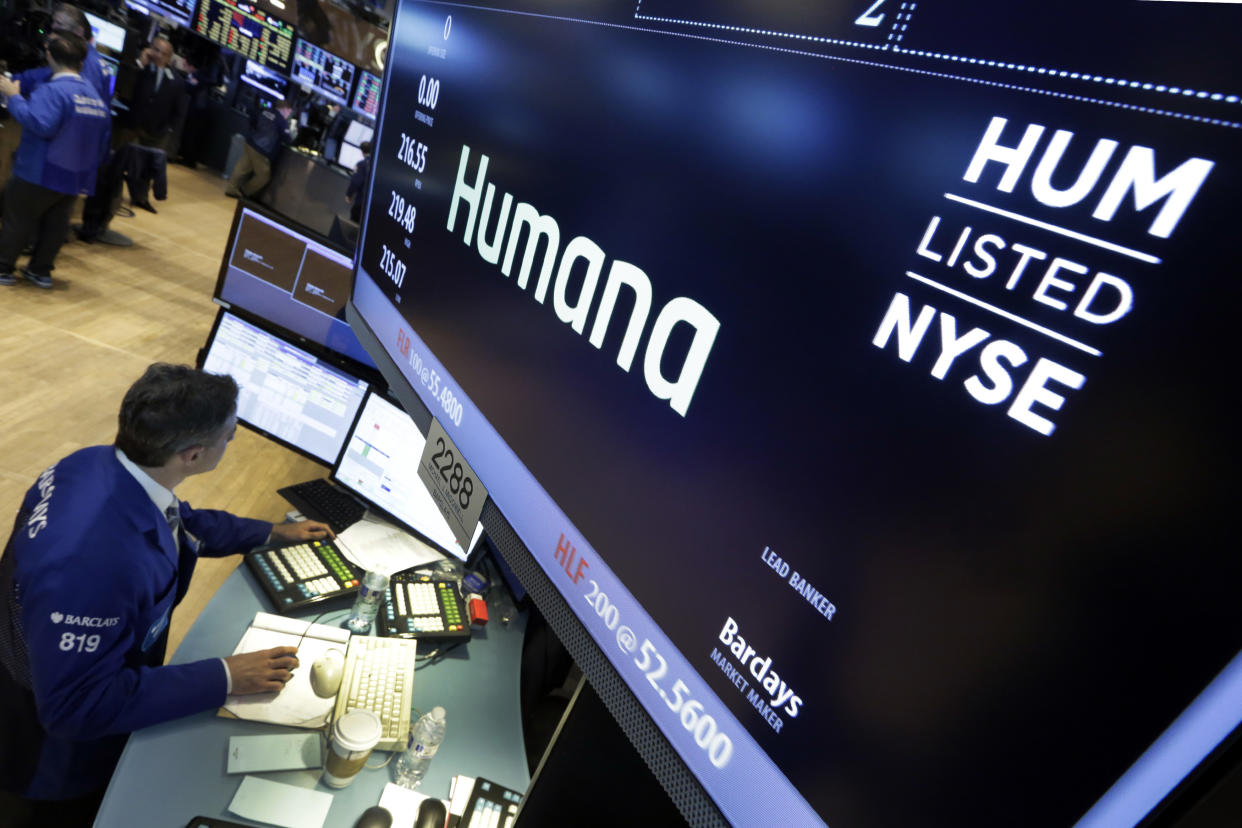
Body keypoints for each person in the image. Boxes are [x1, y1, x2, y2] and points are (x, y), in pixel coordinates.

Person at [0, 364, 334, 826]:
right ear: (193, 456)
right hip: (53, 757)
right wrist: (224, 676)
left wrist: (270, 532)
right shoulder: (92, 567)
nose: (232, 441)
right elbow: (76, 707)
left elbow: (180, 521)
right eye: (229, 434)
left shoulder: (96, 463)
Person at [0, 32, 110, 290]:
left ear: (49, 56)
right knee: (55, 226)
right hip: (73, 176)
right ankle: (40, 271)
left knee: (18, 219)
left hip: (39, 171)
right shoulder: (94, 96)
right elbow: (102, 140)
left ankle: (3, 268)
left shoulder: (52, 90)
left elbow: (40, 124)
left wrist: (13, 96)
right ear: (81, 63)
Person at [113, 36, 187, 212]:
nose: (156, 54)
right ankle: (112, 196)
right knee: (120, 160)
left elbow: (178, 110)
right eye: (154, 48)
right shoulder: (139, 69)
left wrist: (168, 129)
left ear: (169, 57)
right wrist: (140, 63)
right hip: (131, 125)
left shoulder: (176, 81)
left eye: (161, 52)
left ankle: (140, 197)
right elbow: (123, 87)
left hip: (156, 130)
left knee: (147, 167)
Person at [226, 99, 295, 199]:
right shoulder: (281, 121)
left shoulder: (264, 110)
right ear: (285, 109)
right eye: (289, 111)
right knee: (264, 176)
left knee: (242, 168)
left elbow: (252, 118)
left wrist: (254, 131)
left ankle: (231, 189)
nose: (289, 114)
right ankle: (244, 191)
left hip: (250, 142)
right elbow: (288, 139)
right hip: (261, 149)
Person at [346, 140, 373, 223]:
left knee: (353, 226)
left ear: (362, 151)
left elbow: (356, 182)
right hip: (371, 205)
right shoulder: (375, 165)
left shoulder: (362, 164)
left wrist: (348, 194)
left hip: (361, 202)